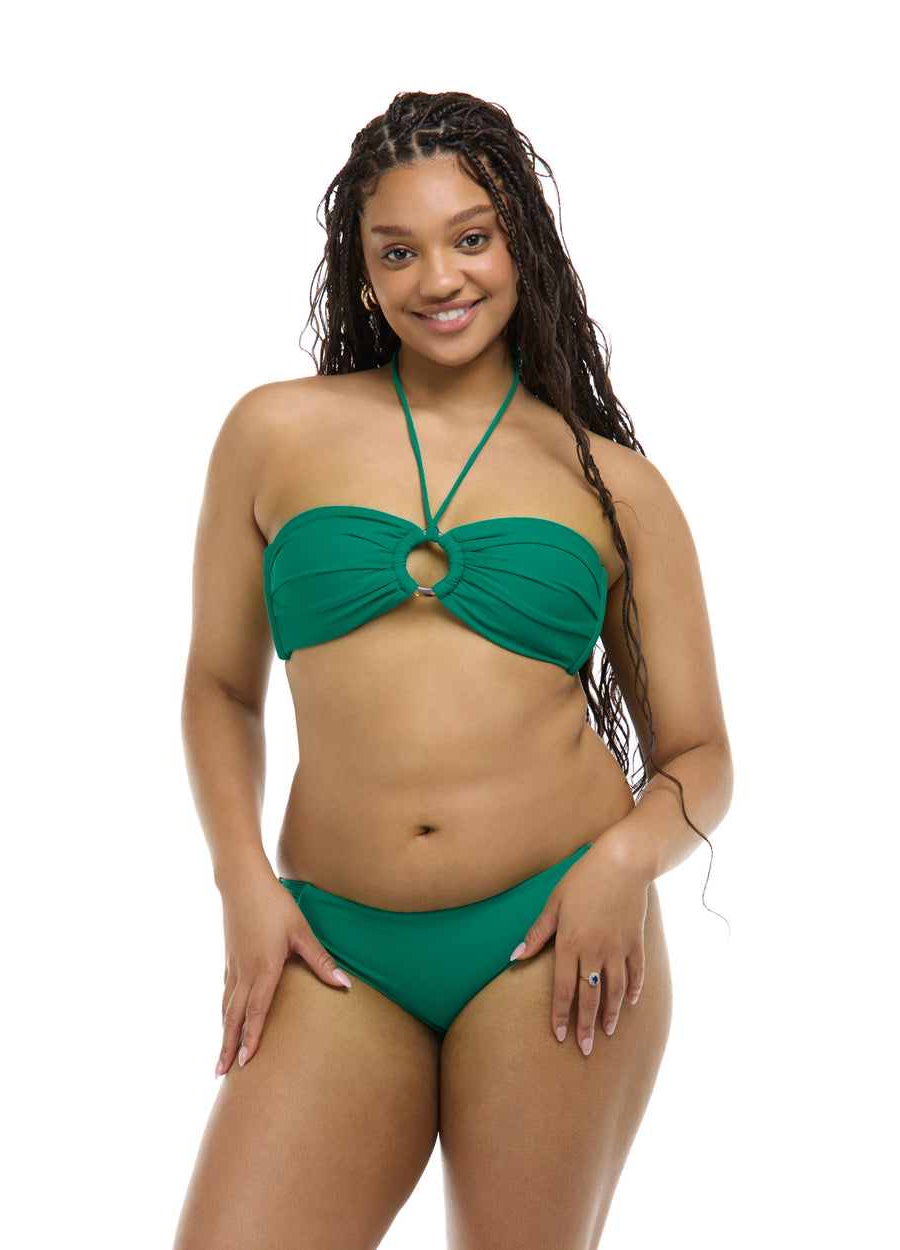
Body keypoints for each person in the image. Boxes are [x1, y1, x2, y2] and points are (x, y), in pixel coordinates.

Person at [171, 90, 733, 1250]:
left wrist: (622, 860)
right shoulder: (272, 433)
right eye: (398, 251)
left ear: (521, 241)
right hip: (332, 942)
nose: (439, 278)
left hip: (554, 935)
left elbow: (701, 754)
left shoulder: (615, 486)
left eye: (470, 237)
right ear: (361, 275)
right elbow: (219, 686)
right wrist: (241, 883)